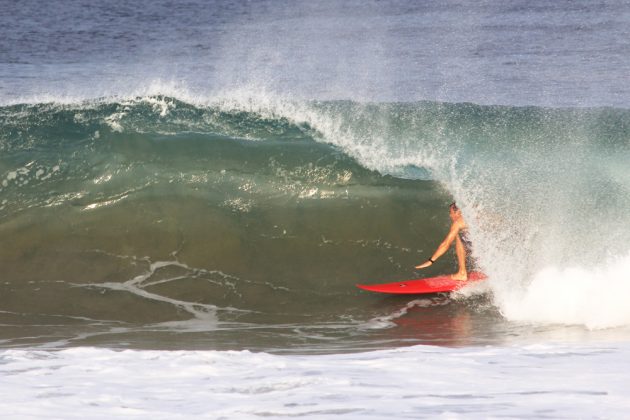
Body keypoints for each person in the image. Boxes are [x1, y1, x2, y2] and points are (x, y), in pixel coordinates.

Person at [415, 202, 471, 281]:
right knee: (464, 236)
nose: (450, 215)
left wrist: (431, 261)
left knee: (458, 237)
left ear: (458, 212)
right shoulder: (473, 216)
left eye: (451, 212)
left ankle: (462, 273)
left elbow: (446, 244)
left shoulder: (458, 223)